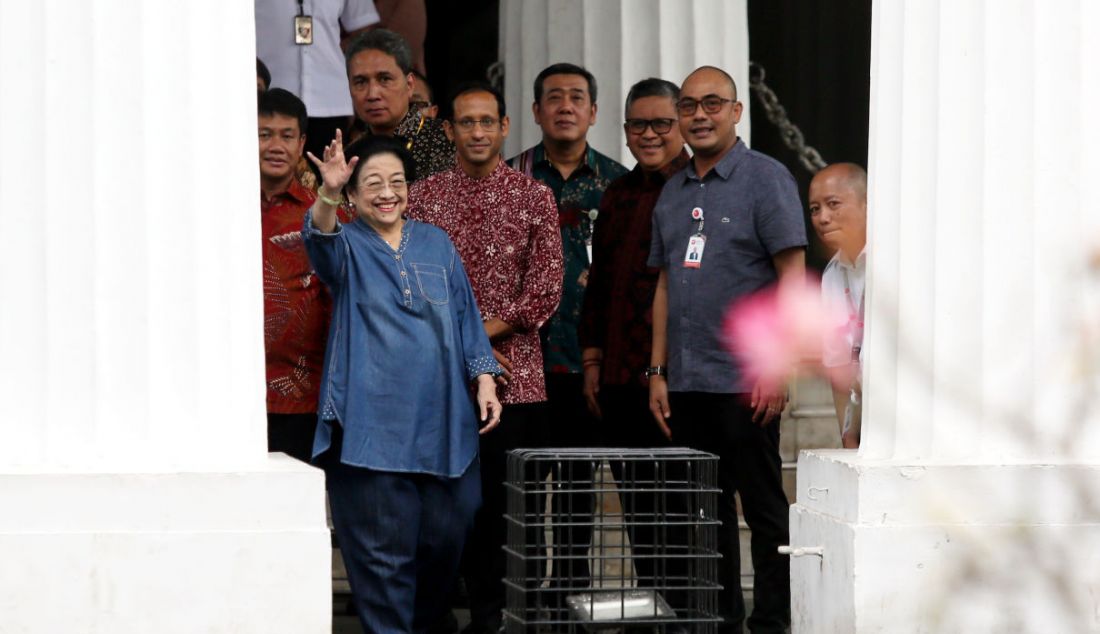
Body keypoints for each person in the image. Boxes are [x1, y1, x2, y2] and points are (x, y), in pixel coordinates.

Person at [303, 132, 502, 633]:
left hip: (443, 427)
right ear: (352, 194)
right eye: (372, 183)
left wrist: (484, 378)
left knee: (448, 535)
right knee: (382, 559)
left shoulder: (435, 241)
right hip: (371, 430)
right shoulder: (345, 244)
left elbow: (465, 314)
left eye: (396, 181)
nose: (387, 192)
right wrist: (327, 195)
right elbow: (319, 238)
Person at [648, 66, 807, 633]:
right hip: (688, 382)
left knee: (763, 511)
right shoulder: (672, 190)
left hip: (746, 380)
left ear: (737, 111)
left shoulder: (766, 179)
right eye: (689, 105)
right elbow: (666, 282)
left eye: (712, 103)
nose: (699, 115)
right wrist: (658, 370)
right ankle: (720, 622)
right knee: (705, 516)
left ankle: (774, 621)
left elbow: (792, 275)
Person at [408, 82, 563, 633]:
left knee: (505, 508)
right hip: (436, 377)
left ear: (504, 127)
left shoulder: (534, 198)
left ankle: (497, 619)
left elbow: (543, 292)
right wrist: (455, 344)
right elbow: (407, 283)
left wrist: (474, 336)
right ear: (448, 130)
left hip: (515, 379)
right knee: (445, 507)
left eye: (486, 122)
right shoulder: (421, 198)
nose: (477, 132)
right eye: (465, 122)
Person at [507, 63, 627, 591]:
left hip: (587, 363)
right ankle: (529, 602)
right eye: (553, 98)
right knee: (525, 492)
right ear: (535, 111)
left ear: (594, 112)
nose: (565, 106)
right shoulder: (508, 181)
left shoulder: (618, 184)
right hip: (521, 362)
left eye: (577, 97)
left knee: (579, 492)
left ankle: (572, 597)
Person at [576, 77, 690, 591]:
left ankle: (693, 620)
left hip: (677, 382)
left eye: (661, 124)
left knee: (683, 514)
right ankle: (660, 615)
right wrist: (593, 361)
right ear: (624, 131)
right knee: (640, 519)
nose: (649, 134)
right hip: (618, 380)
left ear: (681, 125)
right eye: (638, 125)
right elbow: (599, 285)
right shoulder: (617, 192)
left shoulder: (696, 186)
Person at [258, 88, 351, 462]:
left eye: (286, 135)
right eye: (264, 134)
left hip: (301, 397)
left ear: (301, 144)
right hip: (226, 398)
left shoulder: (325, 214)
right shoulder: (217, 208)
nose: (275, 145)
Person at [254, 0, 379, 163]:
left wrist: (335, 59)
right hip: (269, 96)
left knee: (327, 176)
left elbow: (363, 26)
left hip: (330, 100)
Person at [809, 162, 867, 449]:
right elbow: (838, 366)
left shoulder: (901, 262)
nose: (823, 218)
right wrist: (848, 434)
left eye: (833, 204)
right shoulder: (832, 273)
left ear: (868, 205)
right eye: (815, 209)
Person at [344, 29, 454, 180]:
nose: (372, 95)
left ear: (409, 85)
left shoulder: (446, 141)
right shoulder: (351, 155)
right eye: (360, 82)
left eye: (385, 79)